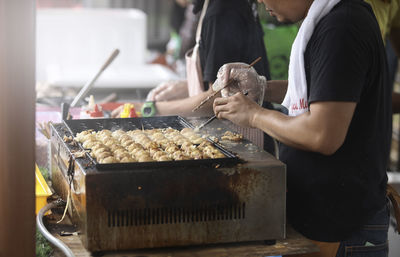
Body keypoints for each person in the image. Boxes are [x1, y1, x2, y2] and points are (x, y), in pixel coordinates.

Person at [213, 0, 393, 256]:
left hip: (342, 228)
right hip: (322, 216)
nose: (261, 2)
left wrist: (254, 115)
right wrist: (261, 87)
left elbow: (322, 135)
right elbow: (324, 89)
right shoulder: (331, 20)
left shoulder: (343, 27)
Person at [114, 0, 275, 152]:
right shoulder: (215, 7)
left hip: (242, 140)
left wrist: (152, 109)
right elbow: (223, 79)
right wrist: (185, 86)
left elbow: (219, 96)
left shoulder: (220, 13)